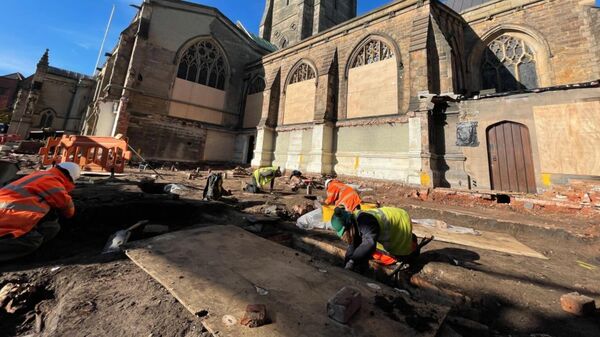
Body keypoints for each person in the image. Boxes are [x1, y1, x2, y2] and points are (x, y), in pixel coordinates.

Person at [0, 162, 81, 262]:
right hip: (8, 216)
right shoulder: (53, 182)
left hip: (7, 213)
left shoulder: (38, 175)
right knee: (32, 241)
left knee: (50, 227)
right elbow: (68, 210)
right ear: (70, 178)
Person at [331, 206, 419, 272]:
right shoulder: (356, 221)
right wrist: (347, 261)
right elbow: (354, 244)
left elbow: (369, 243)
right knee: (366, 252)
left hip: (401, 221)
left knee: (395, 255)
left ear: (349, 224)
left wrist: (352, 261)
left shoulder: (366, 221)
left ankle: (410, 251)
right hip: (395, 219)